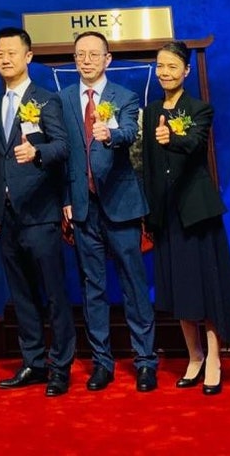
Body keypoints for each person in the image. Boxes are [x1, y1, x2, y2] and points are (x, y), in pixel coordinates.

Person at [142, 40, 230, 396]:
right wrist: (150, 211)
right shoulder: (150, 110)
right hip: (166, 212)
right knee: (179, 288)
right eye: (160, 66)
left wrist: (172, 137)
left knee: (206, 286)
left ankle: (214, 358)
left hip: (197, 211)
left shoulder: (200, 109)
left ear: (186, 71)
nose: (165, 73)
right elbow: (149, 166)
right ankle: (194, 356)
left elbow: (195, 143)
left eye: (172, 66)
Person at [60, 31, 158, 393]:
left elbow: (130, 131)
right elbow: (62, 154)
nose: (86, 60)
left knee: (134, 286)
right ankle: (102, 362)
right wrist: (65, 198)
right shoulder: (63, 99)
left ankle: (145, 361)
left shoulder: (125, 97)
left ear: (107, 59)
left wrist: (110, 134)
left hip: (121, 206)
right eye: (80, 55)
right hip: (83, 208)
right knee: (93, 289)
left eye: (93, 54)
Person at [0, 27, 74, 397]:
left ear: (28, 57)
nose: (5, 59)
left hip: (40, 213)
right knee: (20, 294)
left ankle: (60, 367)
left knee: (53, 294)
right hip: (7, 216)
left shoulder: (46, 100)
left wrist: (37, 153)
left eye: (12, 53)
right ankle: (33, 362)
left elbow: (63, 147)